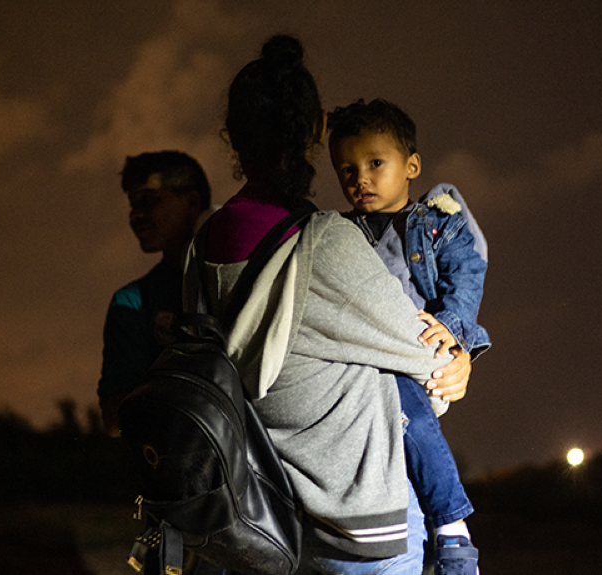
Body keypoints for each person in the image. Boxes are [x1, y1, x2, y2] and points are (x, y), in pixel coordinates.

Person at [182, 35, 473, 575]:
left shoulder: (205, 240)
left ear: (233, 136)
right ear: (316, 131)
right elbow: (429, 362)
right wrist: (458, 361)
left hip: (258, 521)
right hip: (357, 528)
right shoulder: (326, 242)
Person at [328, 99, 491, 575]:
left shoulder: (439, 222)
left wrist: (453, 332)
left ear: (411, 165)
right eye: (347, 169)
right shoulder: (337, 232)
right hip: (360, 361)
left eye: (375, 163)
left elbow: (467, 274)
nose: (360, 178)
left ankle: (452, 529)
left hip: (410, 356)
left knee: (414, 425)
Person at [97, 151, 213, 437]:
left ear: (192, 203)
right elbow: (115, 417)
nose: (136, 215)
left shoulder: (236, 277)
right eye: (132, 205)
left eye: (149, 201)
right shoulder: (133, 301)